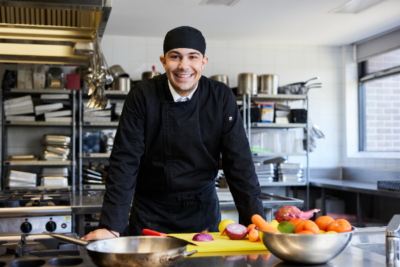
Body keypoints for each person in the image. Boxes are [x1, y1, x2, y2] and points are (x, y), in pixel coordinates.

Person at [82, 26, 265, 240]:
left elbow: (240, 162)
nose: (183, 66)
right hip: (150, 213)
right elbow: (125, 161)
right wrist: (112, 226)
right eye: (175, 57)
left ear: (203, 62)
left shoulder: (221, 97)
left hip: (202, 211)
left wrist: (254, 222)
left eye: (192, 57)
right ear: (163, 61)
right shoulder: (142, 95)